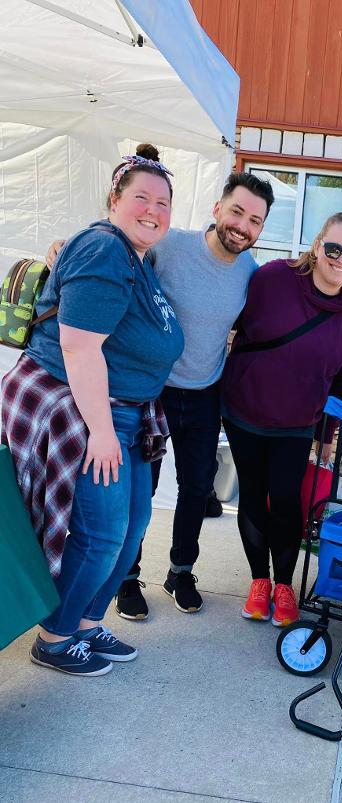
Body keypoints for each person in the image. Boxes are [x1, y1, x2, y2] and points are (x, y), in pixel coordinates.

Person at [47, 172, 275, 619]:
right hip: (153, 392)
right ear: (217, 208)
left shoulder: (252, 274)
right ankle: (127, 578)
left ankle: (180, 570)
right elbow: (116, 248)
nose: (242, 226)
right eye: (236, 212)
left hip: (206, 390)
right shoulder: (171, 246)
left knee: (196, 487)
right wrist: (61, 246)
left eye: (255, 220)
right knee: (143, 489)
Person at [1, 145, 184, 676]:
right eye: (141, 198)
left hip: (128, 415)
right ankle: (55, 637)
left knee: (132, 528)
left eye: (164, 203)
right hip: (92, 416)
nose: (153, 210)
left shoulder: (135, 256)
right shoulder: (104, 249)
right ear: (114, 200)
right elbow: (80, 347)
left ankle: (86, 623)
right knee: (101, 535)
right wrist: (100, 433)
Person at [222, 212, 342, 627]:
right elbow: (226, 315)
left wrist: (326, 434)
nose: (341, 260)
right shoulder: (272, 278)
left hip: (296, 422)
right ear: (317, 245)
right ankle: (259, 582)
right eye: (334, 248)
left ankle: (284, 586)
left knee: (285, 500)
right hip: (244, 409)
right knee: (251, 497)